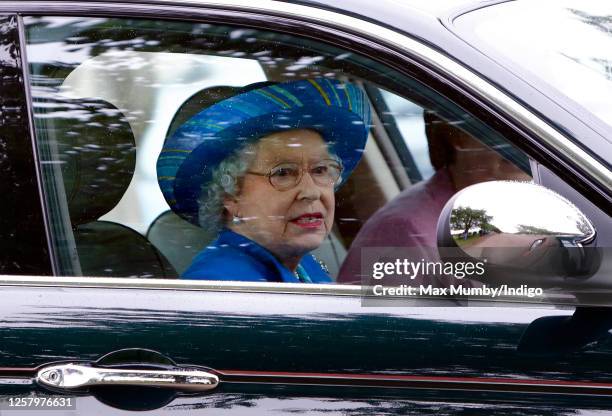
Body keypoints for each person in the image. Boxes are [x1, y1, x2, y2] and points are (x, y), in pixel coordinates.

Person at [157, 78, 371, 283]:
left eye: (321, 170)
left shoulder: (302, 264)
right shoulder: (222, 287)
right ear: (230, 194)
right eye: (283, 173)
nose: (311, 192)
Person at [337, 111, 531, 284]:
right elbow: (386, 324)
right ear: (459, 136)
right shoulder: (406, 232)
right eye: (506, 128)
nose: (523, 142)